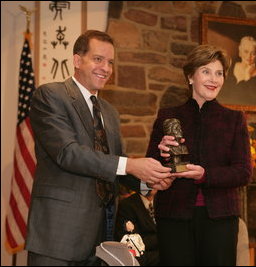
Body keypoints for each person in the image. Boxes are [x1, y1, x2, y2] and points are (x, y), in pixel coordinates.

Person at [25, 30, 173, 266]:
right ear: (77, 60)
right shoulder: (50, 95)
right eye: (98, 59)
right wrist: (132, 164)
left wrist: (151, 181)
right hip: (58, 236)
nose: (105, 68)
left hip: (101, 240)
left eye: (110, 62)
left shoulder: (109, 112)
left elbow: (117, 165)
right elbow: (68, 153)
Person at [146, 44, 253, 265]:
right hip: (173, 217)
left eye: (219, 73)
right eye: (206, 71)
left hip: (220, 220)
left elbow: (243, 173)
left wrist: (205, 175)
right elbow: (151, 172)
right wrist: (160, 151)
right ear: (190, 76)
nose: (214, 79)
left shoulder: (234, 120)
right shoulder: (167, 117)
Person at [218, 36, 256, 106]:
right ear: (240, 52)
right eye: (246, 51)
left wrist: (247, 76)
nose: (249, 56)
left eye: (253, 53)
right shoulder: (229, 67)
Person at [115, 186, 159, 266]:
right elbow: (132, 243)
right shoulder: (127, 205)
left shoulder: (165, 201)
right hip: (143, 259)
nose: (152, 184)